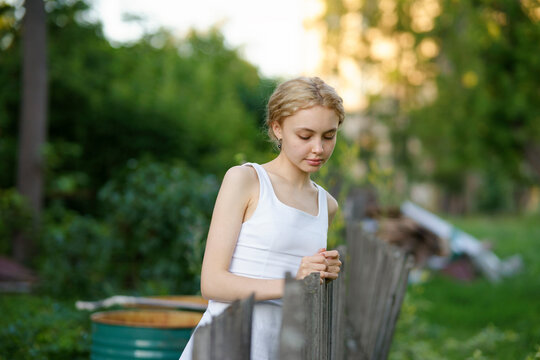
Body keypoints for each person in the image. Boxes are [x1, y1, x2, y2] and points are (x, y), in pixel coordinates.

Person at [179, 76, 345, 360]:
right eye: (305, 136)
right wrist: (294, 282)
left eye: (329, 136)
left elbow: (304, 289)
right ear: (277, 128)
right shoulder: (246, 180)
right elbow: (212, 283)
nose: (318, 148)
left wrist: (323, 275)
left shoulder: (326, 204)